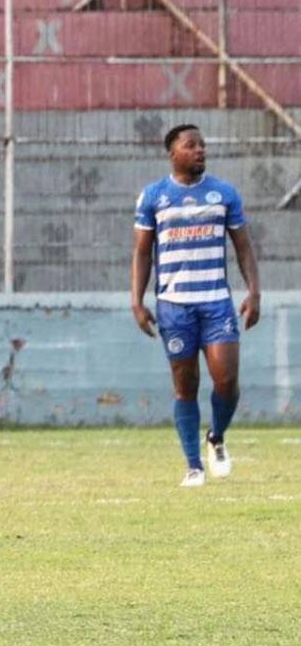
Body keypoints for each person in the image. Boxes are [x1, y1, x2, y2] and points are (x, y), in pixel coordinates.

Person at [131, 123, 260, 487]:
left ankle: (216, 437)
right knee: (185, 386)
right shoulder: (154, 196)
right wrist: (137, 301)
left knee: (227, 381)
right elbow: (142, 253)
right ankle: (193, 466)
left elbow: (243, 247)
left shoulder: (224, 194)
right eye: (191, 145)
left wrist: (254, 292)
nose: (200, 150)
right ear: (173, 153)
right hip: (174, 306)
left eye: (202, 144)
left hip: (216, 302)